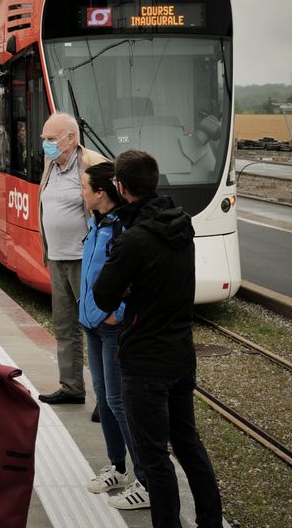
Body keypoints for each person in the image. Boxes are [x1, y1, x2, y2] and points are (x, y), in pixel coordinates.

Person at [94, 150, 223, 528]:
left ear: (120, 186)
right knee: (188, 444)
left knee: (153, 457)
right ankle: (210, 521)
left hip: (145, 361)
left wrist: (129, 287)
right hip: (181, 354)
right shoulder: (182, 226)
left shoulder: (133, 240)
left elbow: (103, 296)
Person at [79, 161, 148, 509]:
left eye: (85, 187)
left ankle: (145, 480)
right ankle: (118, 468)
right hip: (93, 325)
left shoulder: (121, 228)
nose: (82, 192)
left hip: (110, 328)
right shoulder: (97, 222)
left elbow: (134, 278)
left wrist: (116, 314)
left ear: (102, 193)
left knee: (120, 402)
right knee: (104, 398)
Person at [37, 112, 107, 406]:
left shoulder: (93, 164)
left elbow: (107, 209)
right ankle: (72, 387)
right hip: (57, 258)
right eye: (44, 140)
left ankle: (106, 398)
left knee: (96, 328)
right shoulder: (50, 165)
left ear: (71, 139)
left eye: (51, 140)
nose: (46, 145)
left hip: (85, 261)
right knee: (64, 326)